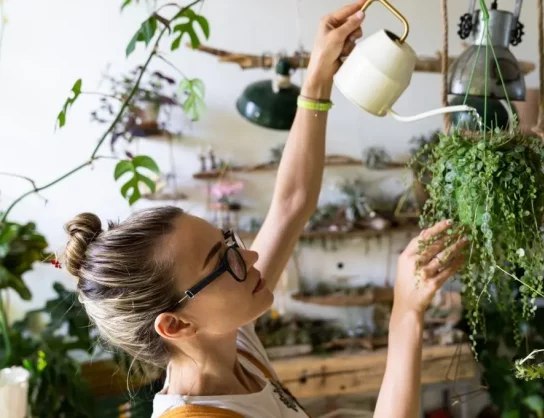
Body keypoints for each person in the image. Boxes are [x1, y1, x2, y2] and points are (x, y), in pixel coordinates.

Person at [62, 2, 468, 417]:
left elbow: (291, 204)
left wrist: (318, 76)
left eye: (229, 243)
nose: (251, 256)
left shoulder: (230, 344)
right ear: (177, 325)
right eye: (223, 263)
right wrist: (406, 314)